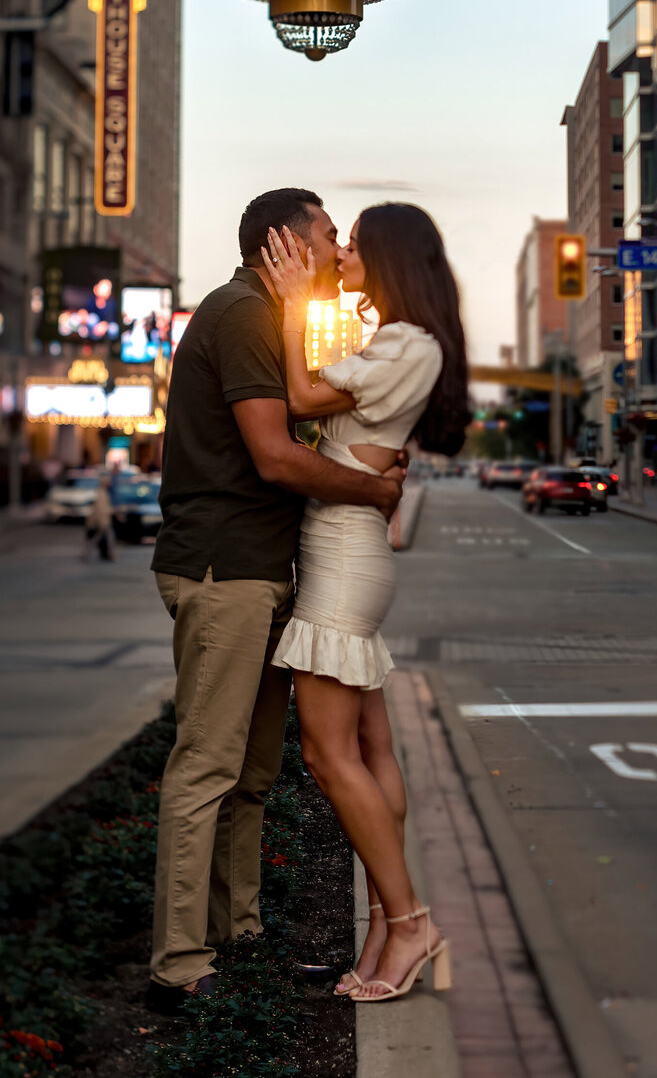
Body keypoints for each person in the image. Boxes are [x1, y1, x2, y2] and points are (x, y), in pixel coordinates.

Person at [147, 188, 406, 1015]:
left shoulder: (271, 318)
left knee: (253, 774)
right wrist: (371, 493)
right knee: (208, 767)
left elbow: (299, 423)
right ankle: (181, 965)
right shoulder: (242, 315)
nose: (337, 250)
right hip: (224, 571)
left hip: (259, 571)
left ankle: (241, 936)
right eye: (329, 235)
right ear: (282, 244)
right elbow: (274, 457)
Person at [260, 203, 468, 1004]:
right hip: (347, 546)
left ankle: (410, 921)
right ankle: (389, 922)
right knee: (372, 748)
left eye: (353, 243)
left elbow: (306, 399)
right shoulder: (401, 341)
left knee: (327, 753)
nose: (342, 251)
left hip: (345, 556)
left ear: (387, 258)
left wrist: (286, 309)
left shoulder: (407, 342)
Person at [87, 466, 117, 561]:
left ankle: (105, 554)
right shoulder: (102, 493)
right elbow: (101, 509)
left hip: (102, 520)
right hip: (102, 520)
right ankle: (108, 554)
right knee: (105, 538)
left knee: (100, 538)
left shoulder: (102, 492)